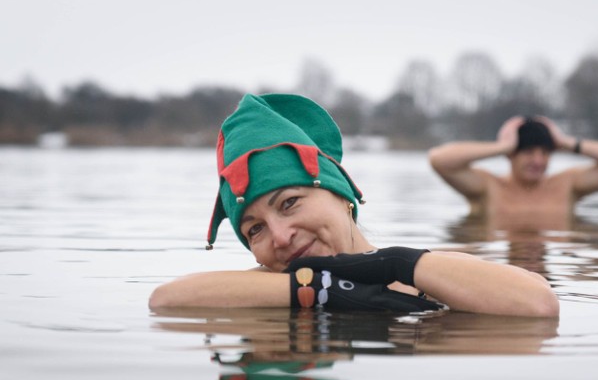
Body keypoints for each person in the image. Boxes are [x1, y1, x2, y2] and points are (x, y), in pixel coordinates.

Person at [149, 94, 558, 317]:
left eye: (289, 203)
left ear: (343, 196)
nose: (279, 236)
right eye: (253, 229)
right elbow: (166, 300)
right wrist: (320, 291)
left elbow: (539, 303)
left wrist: (392, 264)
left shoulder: (425, 273)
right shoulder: (260, 289)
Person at [428, 116, 598, 229]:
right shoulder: (488, 188)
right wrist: (502, 146)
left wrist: (565, 142)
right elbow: (439, 159)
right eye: (529, 152)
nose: (538, 161)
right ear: (511, 155)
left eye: (546, 152)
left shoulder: (567, 185)